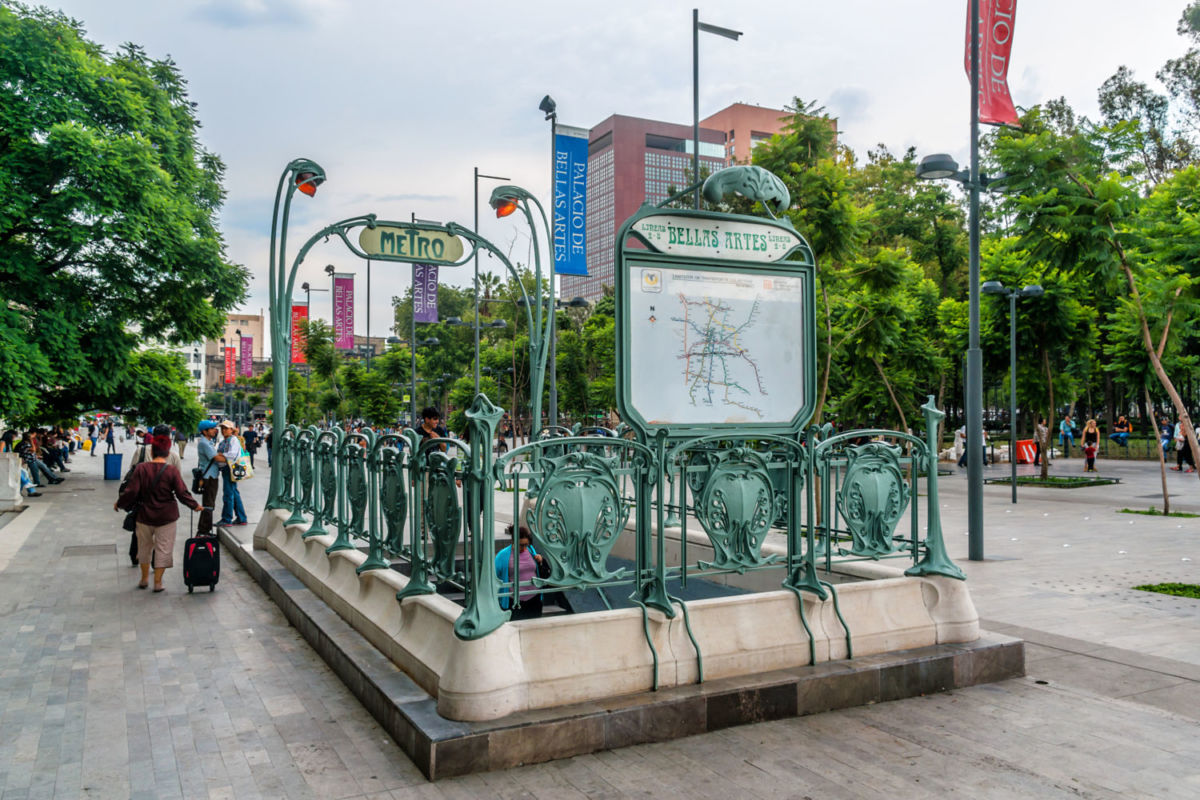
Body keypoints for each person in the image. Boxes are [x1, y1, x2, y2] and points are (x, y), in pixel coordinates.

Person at [115, 430, 200, 592]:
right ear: (168, 452)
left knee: (144, 547)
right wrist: (195, 506)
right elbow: (182, 492)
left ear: (152, 451)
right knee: (163, 548)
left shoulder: (141, 468)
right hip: (166, 516)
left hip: (144, 515)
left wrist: (119, 503)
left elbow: (131, 491)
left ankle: (144, 579)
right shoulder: (171, 470)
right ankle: (158, 582)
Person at [494, 524, 546, 619]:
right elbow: (494, 576)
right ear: (513, 541)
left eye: (526, 544)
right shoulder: (502, 555)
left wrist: (540, 560)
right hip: (515, 602)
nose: (524, 548)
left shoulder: (531, 550)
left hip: (534, 599)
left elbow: (537, 570)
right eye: (521, 545)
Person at [215, 419, 248, 526]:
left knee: (228, 494)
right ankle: (241, 518)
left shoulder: (233, 440)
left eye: (226, 428)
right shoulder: (224, 441)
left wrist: (221, 455)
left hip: (230, 468)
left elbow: (233, 455)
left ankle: (227, 519)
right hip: (227, 469)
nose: (223, 430)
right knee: (234, 493)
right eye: (222, 428)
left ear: (231, 430)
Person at [194, 420, 221, 536]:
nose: (215, 430)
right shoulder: (204, 443)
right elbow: (217, 458)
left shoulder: (208, 442)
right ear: (205, 431)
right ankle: (203, 531)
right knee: (208, 504)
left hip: (211, 476)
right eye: (212, 428)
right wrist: (233, 457)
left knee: (209, 503)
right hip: (209, 477)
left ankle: (205, 530)